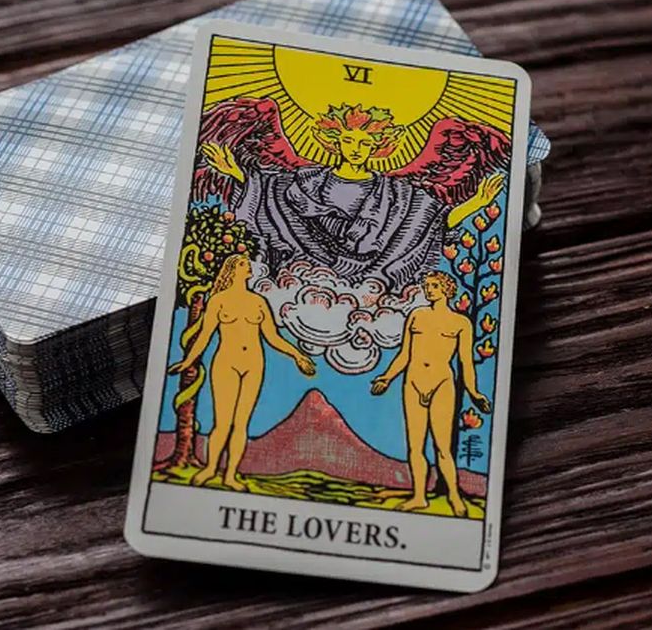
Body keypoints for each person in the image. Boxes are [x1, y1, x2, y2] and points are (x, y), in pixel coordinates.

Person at [200, 104, 503, 291]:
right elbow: (271, 194)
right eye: (348, 140)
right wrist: (235, 171)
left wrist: (477, 203)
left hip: (371, 290)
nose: (356, 148)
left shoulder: (397, 194)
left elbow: (432, 221)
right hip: (300, 282)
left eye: (365, 143)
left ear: (379, 147)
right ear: (334, 142)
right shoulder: (306, 180)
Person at [168, 253, 316, 491]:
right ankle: (210, 468)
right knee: (222, 422)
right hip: (226, 362)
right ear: (231, 270)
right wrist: (187, 361)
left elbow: (272, 337)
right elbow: (205, 335)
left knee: (241, 424)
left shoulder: (258, 302)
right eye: (242, 264)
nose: (248, 267)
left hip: (254, 363)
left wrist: (297, 355)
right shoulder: (218, 300)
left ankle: (231, 475)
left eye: (247, 264)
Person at [371, 271, 491, 516]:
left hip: (442, 384)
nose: (428, 289)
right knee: (415, 447)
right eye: (426, 286)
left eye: (434, 285)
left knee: (442, 447)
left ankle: (454, 496)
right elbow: (404, 354)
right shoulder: (417, 316)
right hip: (413, 382)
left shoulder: (460, 323)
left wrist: (474, 392)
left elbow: (466, 362)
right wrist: (387, 377)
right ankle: (419, 496)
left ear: (446, 289)